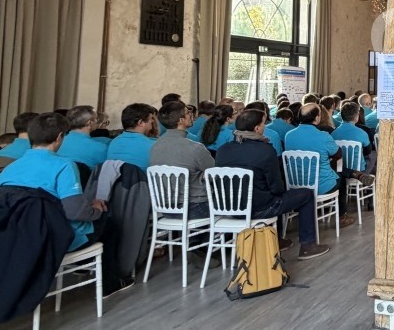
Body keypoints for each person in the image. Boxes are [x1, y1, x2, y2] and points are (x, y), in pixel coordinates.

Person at [217, 108, 327, 257]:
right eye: (264, 123)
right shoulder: (265, 150)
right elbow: (277, 187)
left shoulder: (223, 150)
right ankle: (308, 246)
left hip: (228, 208)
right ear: (257, 128)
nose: (265, 127)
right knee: (305, 194)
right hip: (260, 209)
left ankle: (277, 239)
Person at [0, 112, 99, 252]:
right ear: (59, 137)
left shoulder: (9, 169)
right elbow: (74, 212)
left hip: (19, 237)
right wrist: (96, 209)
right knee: (111, 223)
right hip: (56, 239)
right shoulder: (64, 165)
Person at [284, 104, 356, 228]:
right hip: (321, 186)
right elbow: (338, 154)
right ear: (317, 118)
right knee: (341, 178)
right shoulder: (324, 136)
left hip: (295, 185)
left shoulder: (288, 135)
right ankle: (342, 216)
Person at [149, 100, 215, 217]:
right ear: (181, 120)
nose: (191, 114)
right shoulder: (195, 148)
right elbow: (215, 174)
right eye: (188, 112)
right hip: (195, 207)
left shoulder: (155, 146)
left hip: (165, 207)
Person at [106, 103, 158, 169]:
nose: (153, 121)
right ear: (140, 122)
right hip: (142, 179)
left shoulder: (113, 143)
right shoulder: (153, 146)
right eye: (151, 118)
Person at [58, 105, 110, 170]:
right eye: (96, 118)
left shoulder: (57, 142)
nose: (97, 121)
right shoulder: (100, 148)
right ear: (89, 123)